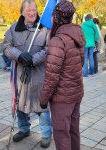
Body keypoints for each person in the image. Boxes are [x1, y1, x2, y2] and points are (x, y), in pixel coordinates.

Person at [3, 0, 52, 148]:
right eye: (28, 10)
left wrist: (33, 60)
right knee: (20, 103)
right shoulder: (13, 28)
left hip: (39, 74)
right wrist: (19, 55)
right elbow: (6, 47)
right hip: (20, 75)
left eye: (34, 9)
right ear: (22, 12)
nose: (32, 13)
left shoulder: (44, 29)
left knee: (41, 106)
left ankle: (46, 134)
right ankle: (24, 129)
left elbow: (48, 49)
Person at [40, 1, 86, 150]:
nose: (51, 18)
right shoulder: (77, 35)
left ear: (56, 17)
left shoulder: (57, 41)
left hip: (62, 98)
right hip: (76, 94)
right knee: (73, 130)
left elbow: (51, 76)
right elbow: (81, 63)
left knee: (61, 134)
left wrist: (43, 99)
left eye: (53, 15)